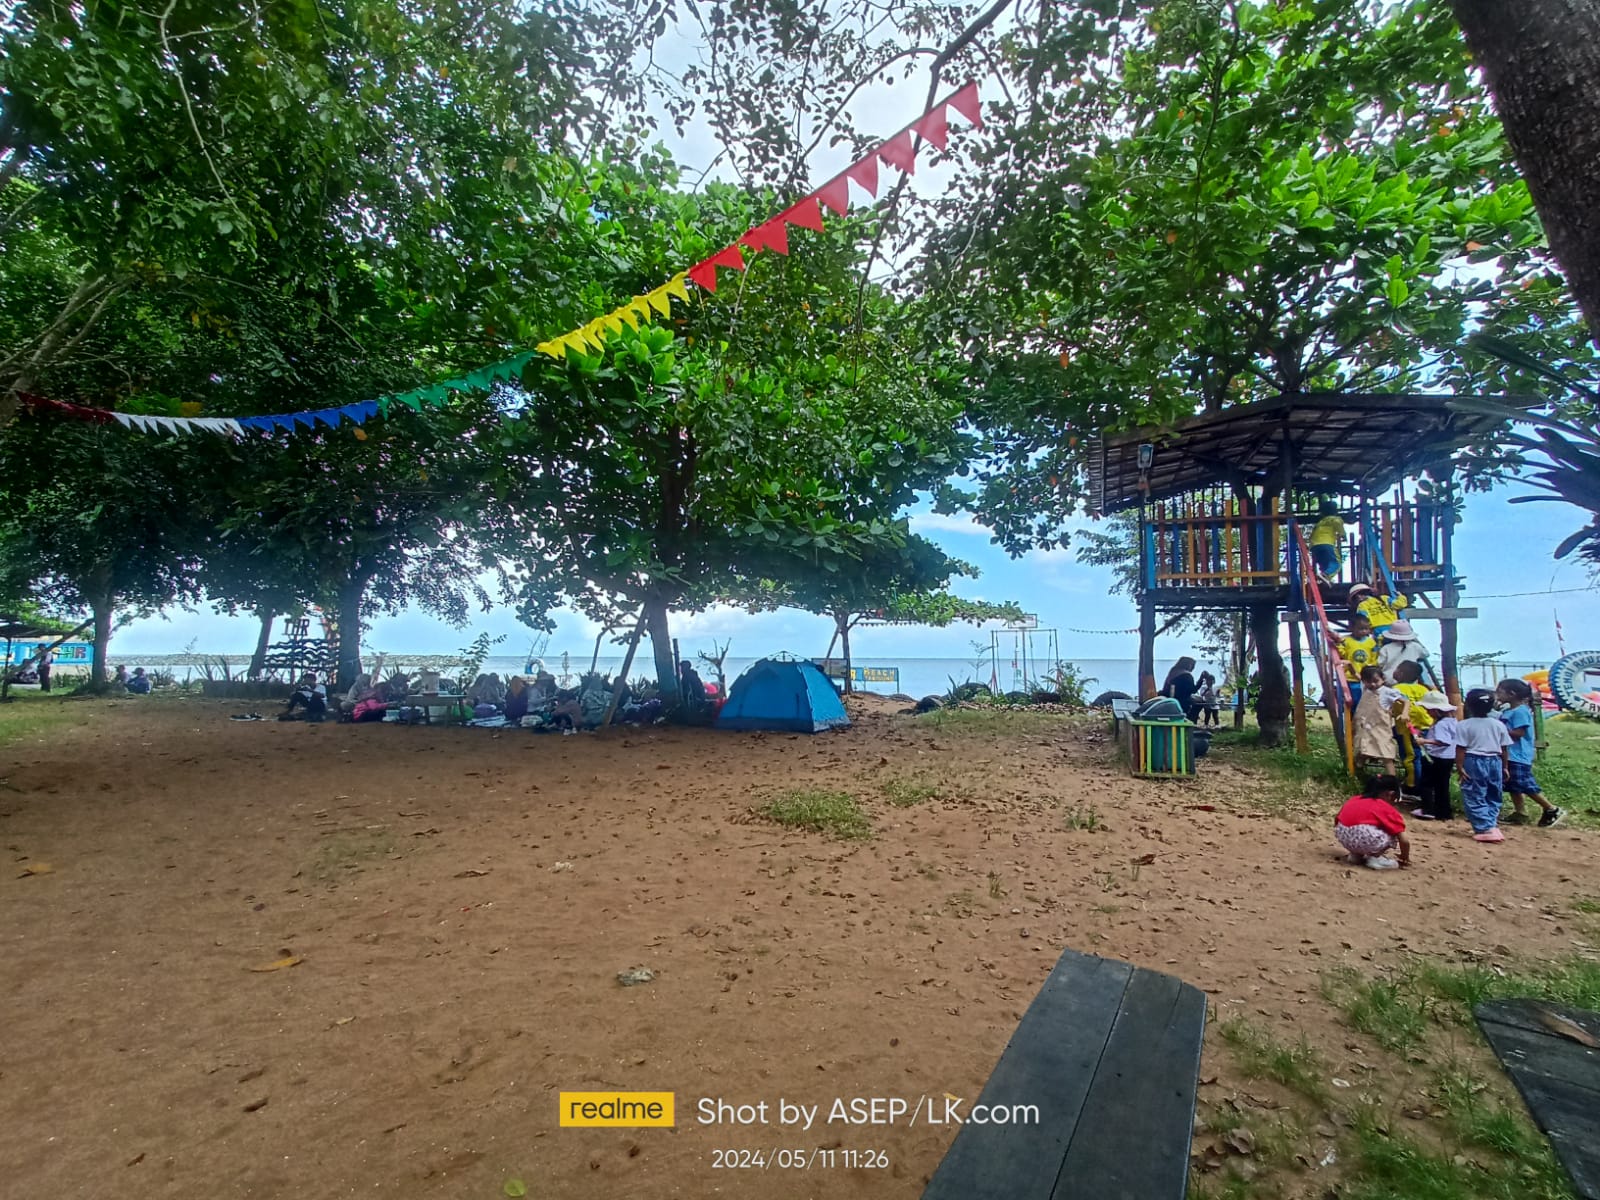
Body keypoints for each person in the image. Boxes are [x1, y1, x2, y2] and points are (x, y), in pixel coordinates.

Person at [1495, 678, 1562, 827]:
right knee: (1513, 784)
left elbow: (1519, 733)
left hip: (1518, 754)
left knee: (1524, 784)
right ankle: (1520, 812)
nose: (1497, 694)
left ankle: (1551, 808)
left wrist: (1498, 731)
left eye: (1499, 691)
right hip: (1509, 753)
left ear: (1511, 694)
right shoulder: (1508, 711)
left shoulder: (1521, 712)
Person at [1455, 688, 1511, 843]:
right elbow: (1504, 748)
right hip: (1495, 760)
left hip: (1473, 760)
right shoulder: (1498, 724)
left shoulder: (1463, 725)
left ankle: (1484, 828)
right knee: (1493, 793)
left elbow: (1460, 748)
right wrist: (1505, 766)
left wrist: (1459, 766)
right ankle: (1491, 825)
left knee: (1474, 794)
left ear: (1468, 705)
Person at [1334, 774, 1411, 870]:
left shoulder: (1354, 799)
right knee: (1393, 831)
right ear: (1390, 794)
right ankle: (1375, 859)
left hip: (1344, 837)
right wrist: (1405, 857)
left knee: (1363, 827)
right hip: (1366, 840)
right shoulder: (1385, 808)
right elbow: (1404, 840)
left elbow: (1337, 819)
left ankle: (1356, 855)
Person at [1353, 665, 1406, 777]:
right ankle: (1357, 773)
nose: (1372, 684)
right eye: (1368, 681)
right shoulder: (1366, 688)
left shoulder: (1386, 692)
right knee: (1362, 750)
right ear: (1364, 681)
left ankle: (1392, 781)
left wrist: (1404, 713)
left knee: (1386, 755)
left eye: (1376, 681)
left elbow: (1405, 700)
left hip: (1381, 728)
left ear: (1383, 679)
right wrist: (1349, 665)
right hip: (1365, 727)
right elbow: (1356, 675)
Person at [1414, 691, 1459, 821]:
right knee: (1442, 785)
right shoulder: (1452, 721)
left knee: (1427, 784)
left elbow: (1443, 741)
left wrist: (1424, 741)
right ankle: (1443, 811)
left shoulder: (1441, 724)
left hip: (1436, 757)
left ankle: (1428, 809)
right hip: (1448, 757)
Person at [1337, 614, 1378, 707]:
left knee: (1366, 701)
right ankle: (1352, 718)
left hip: (1366, 676)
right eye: (1361, 629)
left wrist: (1373, 669)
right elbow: (1342, 654)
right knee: (1353, 700)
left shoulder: (1371, 642)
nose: (1364, 631)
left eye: (1366, 629)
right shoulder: (1346, 640)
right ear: (1351, 628)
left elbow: (1374, 657)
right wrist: (1339, 644)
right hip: (1350, 676)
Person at [1308, 500, 1348, 582]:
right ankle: (1325, 575)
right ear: (1335, 511)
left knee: (1324, 564)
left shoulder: (1320, 523)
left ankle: (1325, 578)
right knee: (1336, 564)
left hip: (1315, 547)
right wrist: (1343, 535)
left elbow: (1312, 535)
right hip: (1327, 544)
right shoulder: (1334, 519)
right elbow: (1337, 523)